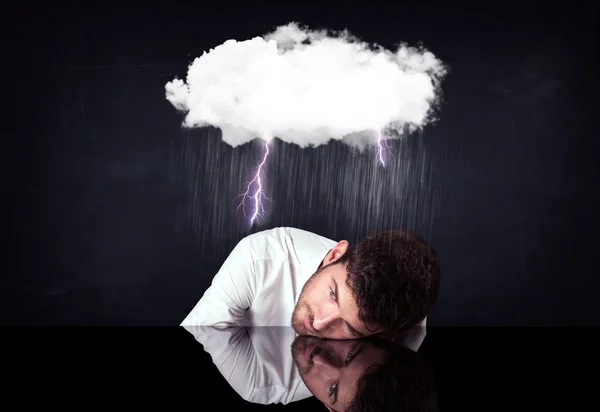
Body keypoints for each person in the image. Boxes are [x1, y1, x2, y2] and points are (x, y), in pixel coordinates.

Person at [180, 226, 440, 339]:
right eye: (333, 294)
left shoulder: (405, 324)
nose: (319, 323)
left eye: (349, 328)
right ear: (334, 255)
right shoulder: (259, 259)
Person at [291, 335, 438, 412]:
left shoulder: (274, 385)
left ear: (330, 409)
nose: (318, 359)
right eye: (349, 356)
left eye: (333, 389)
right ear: (380, 337)